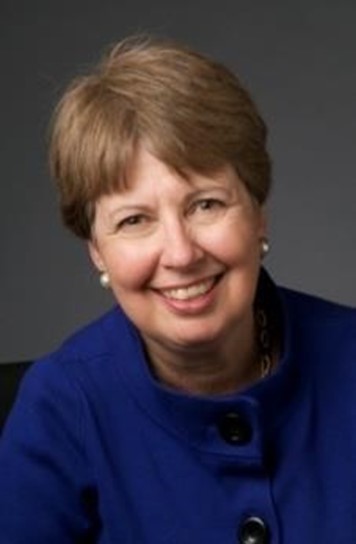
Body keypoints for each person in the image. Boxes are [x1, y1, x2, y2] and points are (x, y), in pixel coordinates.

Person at [0, 35, 355, 544]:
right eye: (134, 220)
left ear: (258, 214)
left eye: (205, 205)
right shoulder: (59, 409)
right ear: (97, 251)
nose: (181, 253)